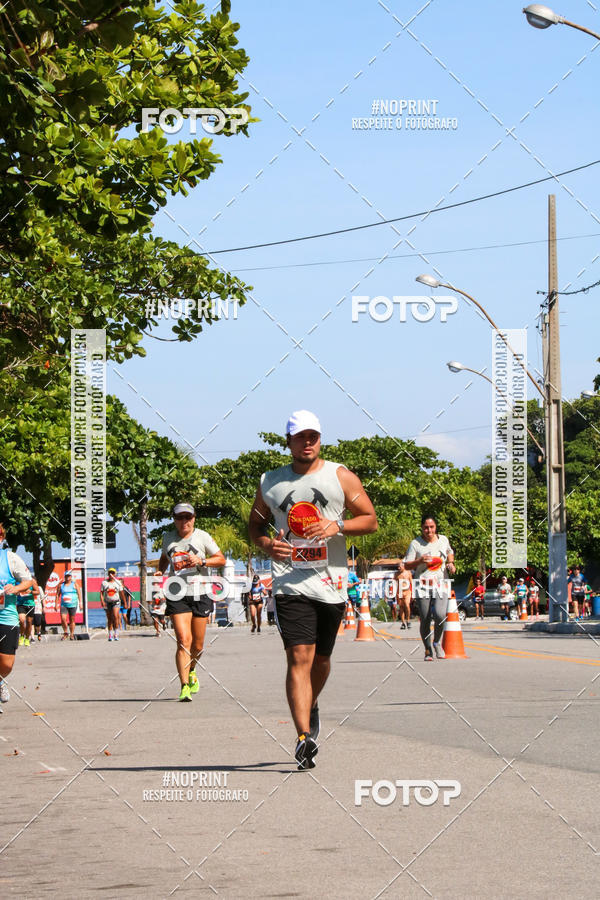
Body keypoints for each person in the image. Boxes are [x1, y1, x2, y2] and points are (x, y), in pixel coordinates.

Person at [249, 410, 377, 770]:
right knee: (298, 657)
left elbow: (370, 520)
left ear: (320, 439)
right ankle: (304, 737)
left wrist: (336, 526)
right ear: (287, 441)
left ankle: (311, 702)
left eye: (313, 436)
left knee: (320, 660)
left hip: (332, 584)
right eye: (300, 437)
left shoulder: (340, 476)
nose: (307, 443)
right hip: (289, 583)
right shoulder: (270, 481)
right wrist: (266, 544)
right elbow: (255, 525)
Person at [156, 502, 225, 702]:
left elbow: (221, 559)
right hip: (177, 593)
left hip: (200, 592)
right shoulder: (168, 538)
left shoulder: (202, 537)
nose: (184, 521)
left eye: (188, 517)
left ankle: (192, 668)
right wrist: (160, 570)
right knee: (183, 640)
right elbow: (165, 557)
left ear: (194, 518)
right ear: (174, 520)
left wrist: (202, 561)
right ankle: (184, 685)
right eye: (179, 517)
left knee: (198, 644)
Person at [404, 515, 456, 660]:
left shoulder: (443, 540)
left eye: (432, 527)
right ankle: (428, 649)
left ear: (436, 527)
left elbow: (450, 552)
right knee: (425, 618)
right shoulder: (416, 544)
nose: (429, 530)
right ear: (422, 528)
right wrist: (420, 560)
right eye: (426, 527)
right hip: (422, 585)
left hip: (441, 584)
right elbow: (407, 565)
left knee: (440, 615)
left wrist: (451, 563)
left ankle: (437, 642)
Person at [0, 523, 33, 705]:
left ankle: (0, 681)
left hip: (6, 616)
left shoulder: (10, 558)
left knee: (7, 664)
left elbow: (28, 581)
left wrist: (15, 588)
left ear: (1, 537)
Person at [100, 568, 125, 641]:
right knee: (109, 618)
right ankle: (110, 634)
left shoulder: (118, 582)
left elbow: (121, 593)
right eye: (110, 573)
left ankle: (116, 633)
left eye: (113, 573)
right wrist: (102, 601)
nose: (111, 574)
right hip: (108, 602)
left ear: (115, 574)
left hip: (116, 602)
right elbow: (101, 593)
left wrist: (125, 602)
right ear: (108, 574)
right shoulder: (104, 583)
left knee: (115, 616)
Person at [57, 571, 81, 640]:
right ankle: (65, 632)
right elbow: (57, 595)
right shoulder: (61, 585)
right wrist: (56, 604)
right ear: (64, 577)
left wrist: (80, 603)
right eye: (66, 576)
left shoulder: (74, 584)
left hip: (73, 604)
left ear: (71, 577)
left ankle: (72, 634)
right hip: (64, 604)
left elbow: (79, 593)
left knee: (72, 619)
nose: (67, 577)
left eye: (69, 576)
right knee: (63, 618)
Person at [17, 579, 37, 646]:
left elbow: (37, 591)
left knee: (29, 622)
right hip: (20, 604)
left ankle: (27, 638)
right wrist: (17, 592)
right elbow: (14, 590)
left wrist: (31, 591)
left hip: (30, 604)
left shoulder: (32, 581)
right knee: (21, 620)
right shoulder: (17, 580)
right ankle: (22, 635)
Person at [394, 561, 412, 629]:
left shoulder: (408, 573)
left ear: (403, 566)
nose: (398, 568)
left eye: (400, 567)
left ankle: (408, 620)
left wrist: (413, 593)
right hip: (399, 592)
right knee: (401, 607)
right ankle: (403, 623)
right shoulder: (396, 574)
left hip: (407, 592)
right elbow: (394, 583)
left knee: (407, 605)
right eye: (398, 567)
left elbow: (411, 582)